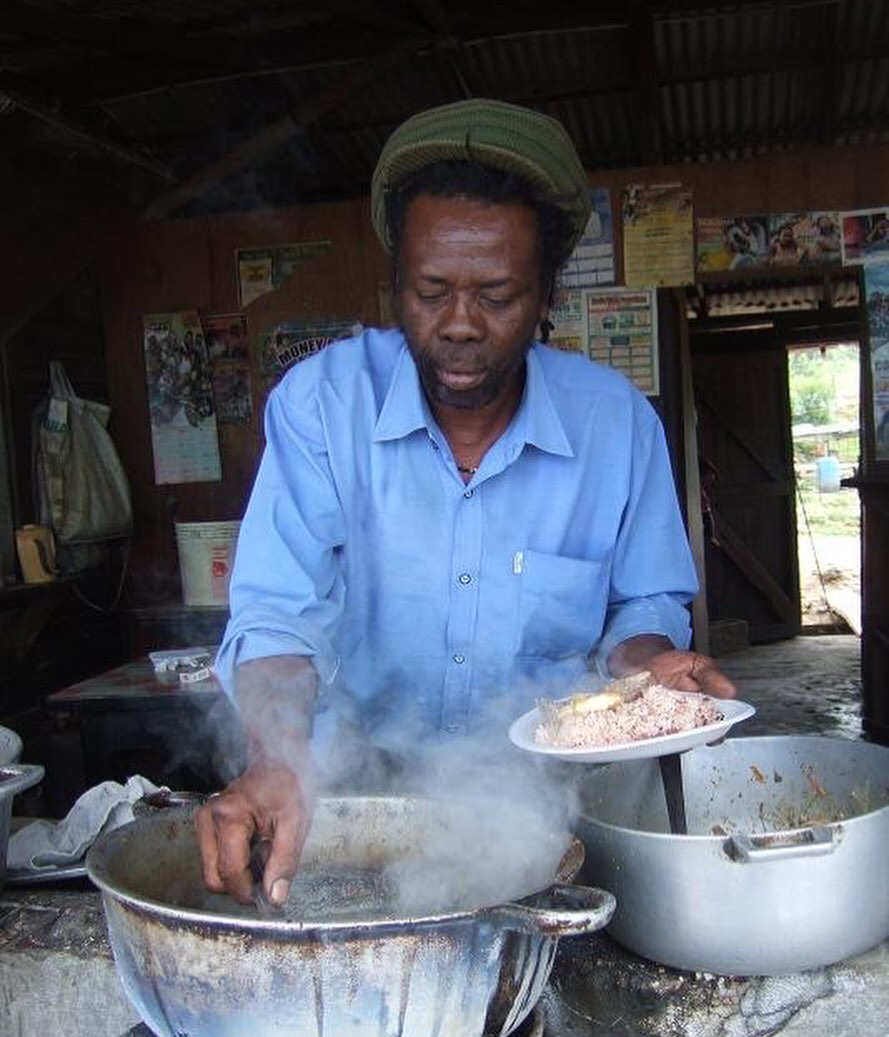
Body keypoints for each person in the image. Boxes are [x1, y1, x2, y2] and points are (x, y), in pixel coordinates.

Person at [195, 98, 736, 907]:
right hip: (346, 810)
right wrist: (277, 756)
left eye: (495, 295)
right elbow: (277, 615)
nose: (457, 324)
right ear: (394, 285)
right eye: (429, 290)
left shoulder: (615, 425)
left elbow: (641, 607)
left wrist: (645, 666)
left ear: (545, 291)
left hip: (541, 817)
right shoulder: (320, 407)